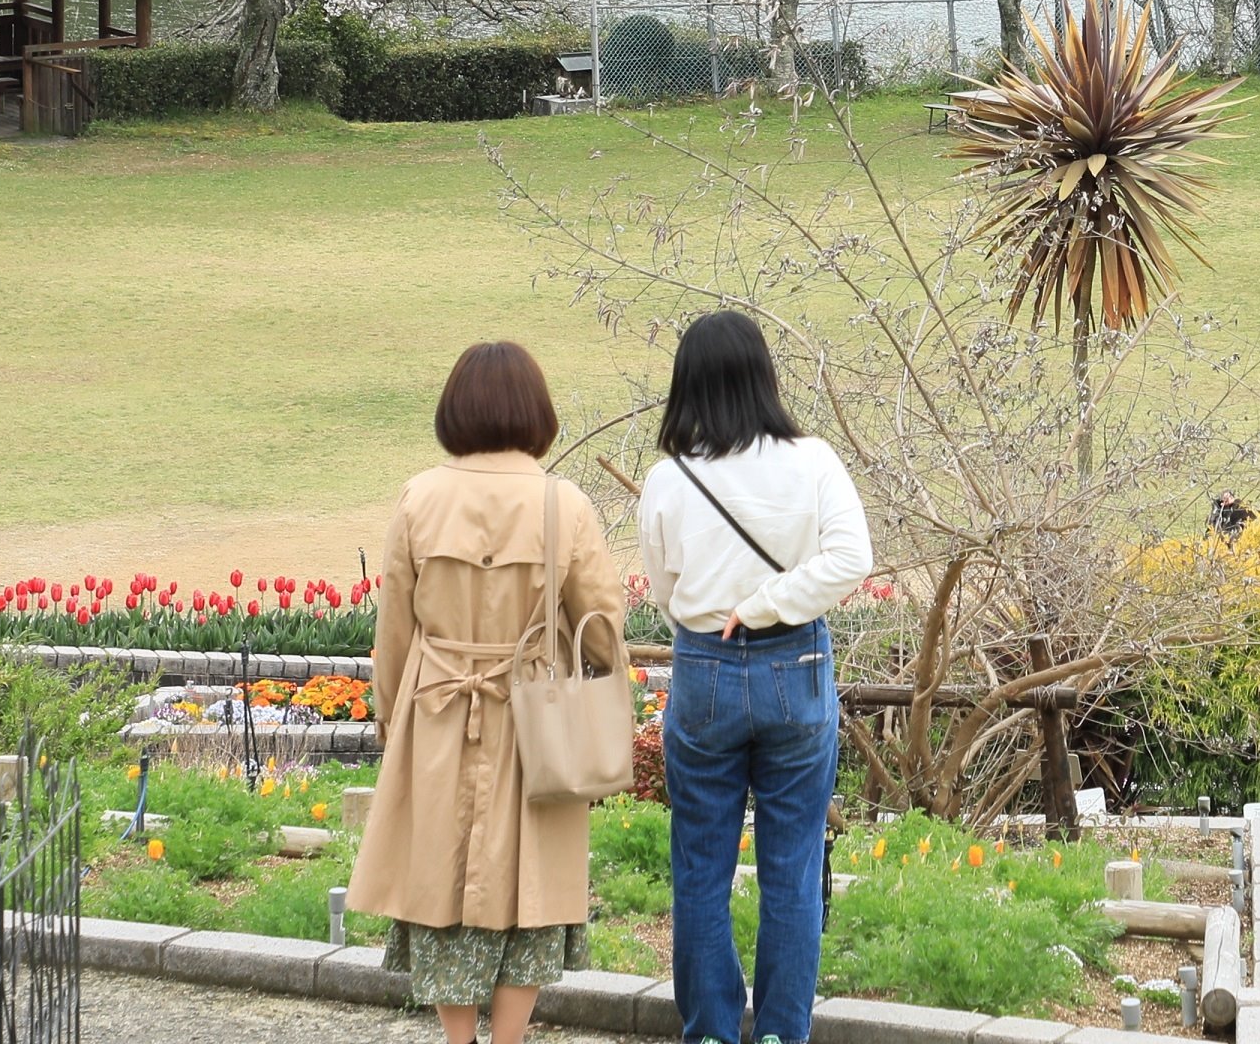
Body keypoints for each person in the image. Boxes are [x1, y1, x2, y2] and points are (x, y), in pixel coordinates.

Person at [350, 340, 629, 1044]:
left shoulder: (419, 497)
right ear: (537, 412)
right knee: (530, 888)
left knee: (439, 884)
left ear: (455, 411)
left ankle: (458, 1040)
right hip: (536, 720)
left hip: (437, 711)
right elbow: (604, 627)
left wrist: (392, 720)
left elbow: (393, 631)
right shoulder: (563, 503)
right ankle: (509, 1038)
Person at [639, 310, 875, 1044]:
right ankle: (779, 1033)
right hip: (795, 666)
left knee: (701, 865)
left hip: (706, 667)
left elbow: (658, 589)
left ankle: (710, 1029)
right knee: (792, 869)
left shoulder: (669, 477)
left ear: (687, 386)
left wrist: (730, 604)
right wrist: (771, 602)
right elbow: (851, 559)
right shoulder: (814, 460)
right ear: (764, 377)